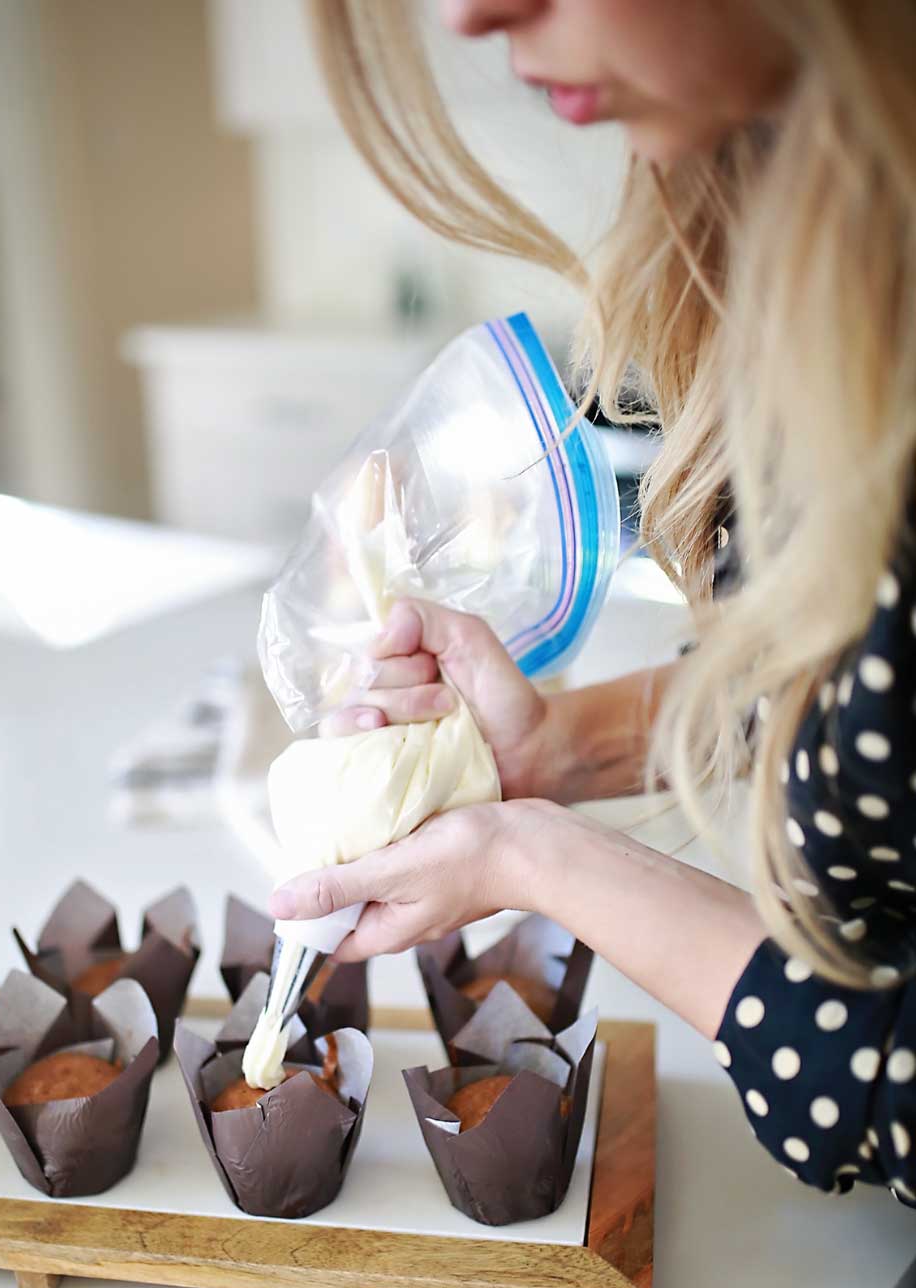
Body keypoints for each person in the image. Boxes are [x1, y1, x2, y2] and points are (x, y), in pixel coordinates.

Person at [269, 0, 916, 1208]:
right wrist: (558, 750)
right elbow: (861, 682)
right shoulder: (808, 254)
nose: (474, 13)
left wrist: (536, 859)